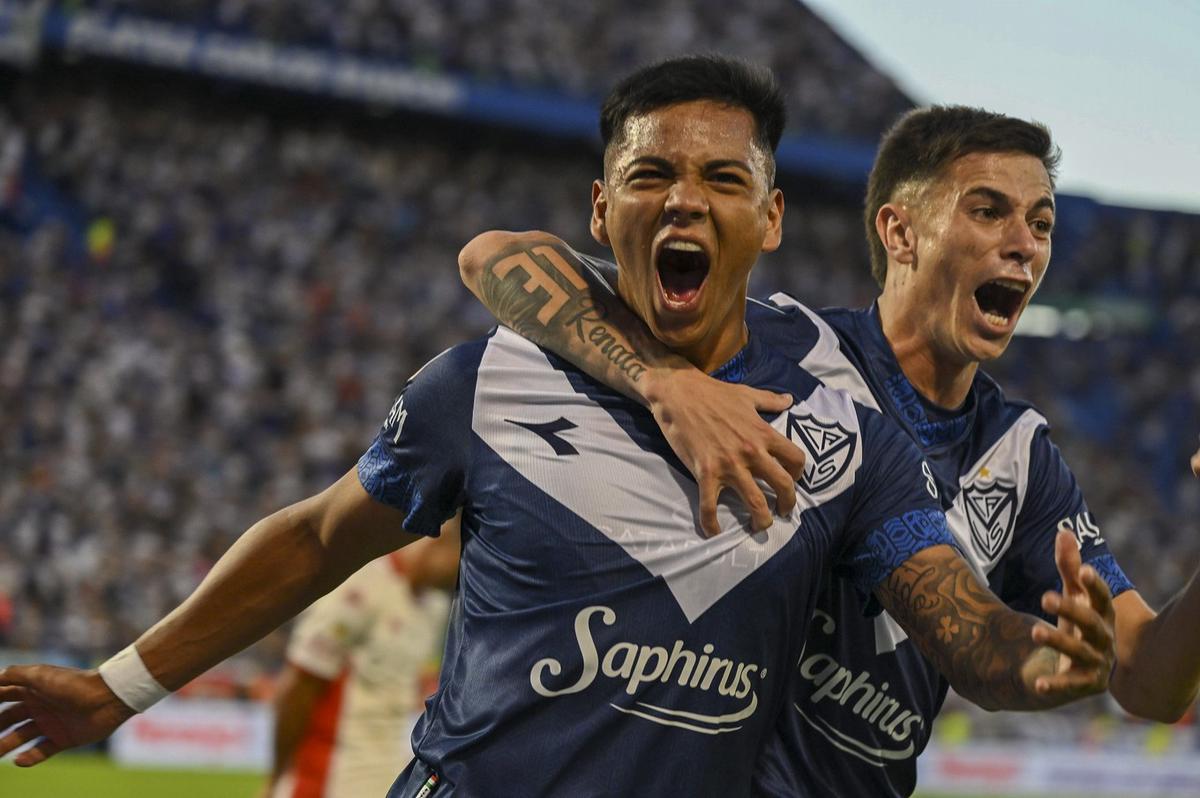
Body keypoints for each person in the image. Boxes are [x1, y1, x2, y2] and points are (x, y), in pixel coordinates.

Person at [0, 58, 1112, 797]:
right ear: (599, 209)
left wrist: (1054, 658)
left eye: (724, 178)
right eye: (652, 175)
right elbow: (316, 538)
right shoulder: (487, 383)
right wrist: (117, 687)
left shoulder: (844, 436)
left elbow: (963, 627)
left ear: (771, 218)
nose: (685, 201)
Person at [456, 104, 1200, 796]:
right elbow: (496, 256)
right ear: (900, 232)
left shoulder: (1024, 462)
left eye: (1041, 224)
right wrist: (660, 379)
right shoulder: (782, 348)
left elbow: (1149, 683)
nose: (1025, 244)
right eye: (988, 211)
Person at [264, 526, 458, 798]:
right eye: (461, 555)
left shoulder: (436, 608)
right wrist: (277, 776)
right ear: (439, 544)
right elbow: (298, 686)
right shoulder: (363, 584)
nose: (461, 570)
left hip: (388, 774)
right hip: (328, 779)